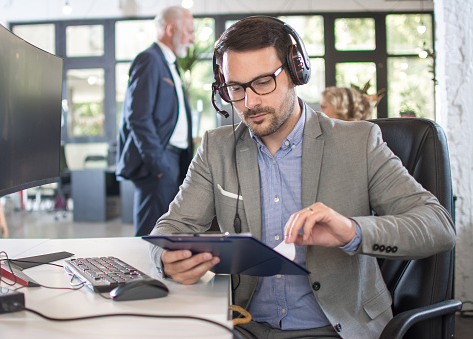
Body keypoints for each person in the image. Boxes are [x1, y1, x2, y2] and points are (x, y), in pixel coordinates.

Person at [148, 16, 455, 338]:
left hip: (335, 328)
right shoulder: (216, 148)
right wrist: (166, 260)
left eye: (263, 82)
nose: (250, 103)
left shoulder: (359, 142)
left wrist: (351, 231)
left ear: (296, 73)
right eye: (235, 88)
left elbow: (438, 227)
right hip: (243, 325)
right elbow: (170, 229)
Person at [116, 6, 195, 236]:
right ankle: (139, 274)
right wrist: (158, 165)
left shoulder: (169, 64)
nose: (192, 38)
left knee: (166, 232)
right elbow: (138, 117)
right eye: (189, 31)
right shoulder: (149, 60)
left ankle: (159, 273)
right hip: (159, 162)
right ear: (171, 28)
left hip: (172, 160)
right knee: (151, 236)